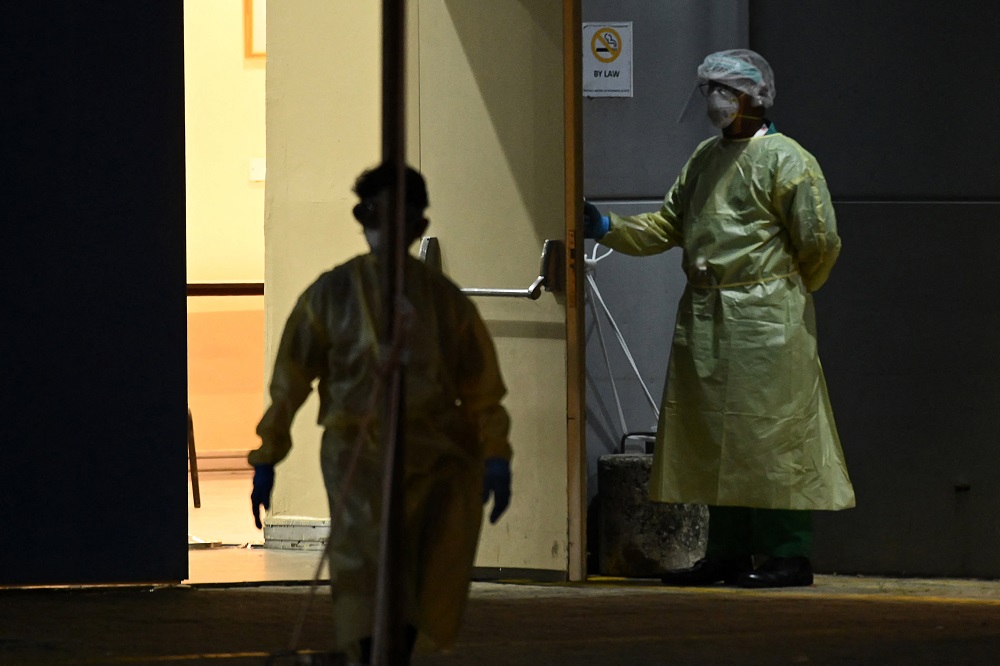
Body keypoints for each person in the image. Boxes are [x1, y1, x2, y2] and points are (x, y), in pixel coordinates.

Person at [584, 49, 854, 588]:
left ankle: (787, 555)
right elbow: (668, 226)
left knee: (773, 438)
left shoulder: (788, 160)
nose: (715, 100)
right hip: (708, 316)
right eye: (709, 88)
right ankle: (726, 553)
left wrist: (781, 290)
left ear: (755, 96)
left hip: (767, 319)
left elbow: (819, 242)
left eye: (725, 90)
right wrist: (608, 225)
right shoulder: (706, 159)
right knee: (716, 437)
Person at [249, 163, 513, 663]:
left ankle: (390, 653)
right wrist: (268, 453)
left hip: (436, 457)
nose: (385, 229)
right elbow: (290, 380)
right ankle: (367, 653)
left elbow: (481, 388)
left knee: (427, 570)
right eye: (375, 215)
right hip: (359, 455)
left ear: (419, 225)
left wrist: (495, 452)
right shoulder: (332, 295)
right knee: (364, 568)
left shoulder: (443, 302)